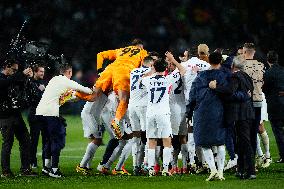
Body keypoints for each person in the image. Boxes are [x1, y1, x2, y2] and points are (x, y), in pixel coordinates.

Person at [76, 39, 148, 139]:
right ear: (140, 46)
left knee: (94, 95)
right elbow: (145, 67)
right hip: (124, 71)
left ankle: (75, 94)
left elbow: (100, 55)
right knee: (124, 99)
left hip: (110, 69)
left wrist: (100, 70)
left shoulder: (121, 50)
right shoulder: (143, 52)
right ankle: (116, 121)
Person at [36, 63, 93, 178]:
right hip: (50, 114)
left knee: (47, 140)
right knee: (56, 141)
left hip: (39, 113)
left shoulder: (53, 80)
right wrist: (93, 90)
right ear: (69, 72)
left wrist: (72, 99)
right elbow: (85, 90)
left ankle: (46, 167)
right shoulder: (66, 81)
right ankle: (55, 170)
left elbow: (58, 97)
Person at [186, 52, 229, 181]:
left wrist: (188, 113)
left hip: (202, 111)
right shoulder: (225, 76)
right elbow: (230, 92)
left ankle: (213, 170)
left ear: (209, 61)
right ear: (220, 61)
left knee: (204, 143)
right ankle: (220, 172)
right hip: (219, 111)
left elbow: (192, 96)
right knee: (220, 142)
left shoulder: (200, 76)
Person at [142, 53, 186, 177]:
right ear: (166, 68)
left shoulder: (147, 80)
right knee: (167, 140)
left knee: (151, 141)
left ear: (154, 68)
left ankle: (151, 169)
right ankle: (166, 169)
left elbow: (141, 79)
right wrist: (173, 60)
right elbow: (183, 70)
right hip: (163, 113)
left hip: (150, 113)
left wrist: (151, 70)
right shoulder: (168, 79)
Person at [0, 58, 36, 177]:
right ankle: (6, 171)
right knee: (8, 144)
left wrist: (28, 77)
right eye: (13, 70)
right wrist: (21, 74)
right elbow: (6, 83)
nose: (15, 72)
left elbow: (20, 84)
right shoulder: (2, 78)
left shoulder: (12, 78)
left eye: (16, 70)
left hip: (16, 115)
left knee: (26, 141)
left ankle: (25, 170)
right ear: (6, 67)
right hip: (5, 116)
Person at [128, 56, 154, 175]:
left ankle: (135, 166)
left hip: (132, 106)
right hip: (143, 106)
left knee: (136, 137)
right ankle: (145, 165)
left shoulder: (133, 71)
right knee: (148, 136)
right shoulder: (150, 72)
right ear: (151, 63)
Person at [242, 43, 265, 156]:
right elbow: (264, 83)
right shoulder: (261, 66)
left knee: (244, 132)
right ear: (254, 52)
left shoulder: (241, 66)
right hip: (258, 101)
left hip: (245, 102)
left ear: (244, 52)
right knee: (254, 131)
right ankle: (253, 161)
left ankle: (247, 161)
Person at [263, 50, 284, 163]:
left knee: (278, 131)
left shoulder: (267, 73)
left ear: (268, 60)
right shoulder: (283, 70)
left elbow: (264, 89)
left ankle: (283, 155)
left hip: (274, 105)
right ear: (277, 59)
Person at [28, 64, 46, 169]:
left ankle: (45, 161)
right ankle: (32, 162)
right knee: (34, 140)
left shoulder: (40, 83)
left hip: (43, 115)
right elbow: (35, 99)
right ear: (35, 72)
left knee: (45, 139)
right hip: (34, 115)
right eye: (40, 72)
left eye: (43, 72)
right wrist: (42, 91)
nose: (42, 73)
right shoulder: (30, 83)